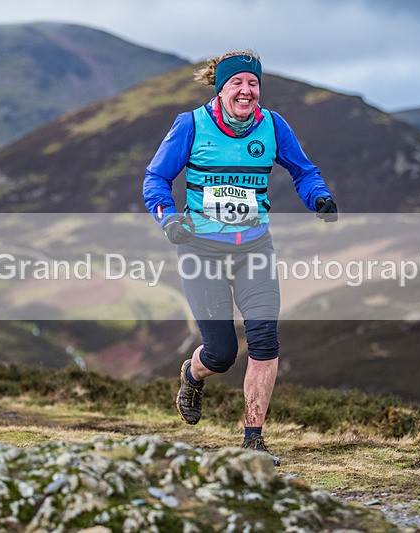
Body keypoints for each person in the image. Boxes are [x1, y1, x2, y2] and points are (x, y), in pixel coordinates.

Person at [143, 50, 338, 466]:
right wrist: (169, 218)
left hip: (254, 249)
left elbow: (304, 171)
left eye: (253, 84)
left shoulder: (273, 126)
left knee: (265, 342)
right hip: (202, 250)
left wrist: (318, 197)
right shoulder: (191, 125)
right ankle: (193, 374)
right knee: (222, 353)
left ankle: (253, 440)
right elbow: (156, 178)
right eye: (237, 83)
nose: (246, 91)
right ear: (221, 88)